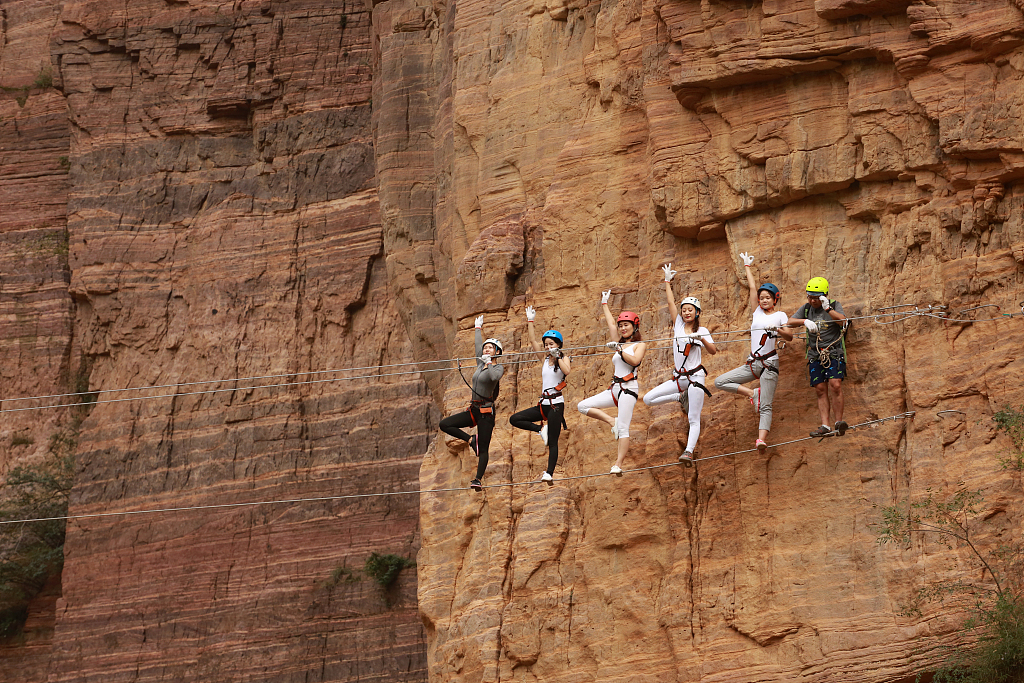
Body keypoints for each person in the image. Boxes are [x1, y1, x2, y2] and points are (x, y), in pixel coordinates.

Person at [713, 251, 793, 453]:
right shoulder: (756, 312)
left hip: (770, 364)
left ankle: (761, 440)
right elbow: (751, 288)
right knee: (720, 381)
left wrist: (778, 330)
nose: (764, 300)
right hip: (753, 363)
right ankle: (751, 392)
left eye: (768, 298)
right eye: (762, 298)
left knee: (766, 405)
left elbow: (790, 336)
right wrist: (747, 267)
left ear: (775, 299)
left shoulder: (781, 315)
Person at [643, 264, 718, 466]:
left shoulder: (701, 330)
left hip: (695, 378)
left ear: (697, 312)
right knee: (648, 399)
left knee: (694, 418)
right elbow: (670, 304)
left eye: (690, 310)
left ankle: (688, 451)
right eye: (684, 310)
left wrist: (700, 339)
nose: (686, 313)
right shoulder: (678, 325)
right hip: (678, 378)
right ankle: (679, 397)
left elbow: (713, 350)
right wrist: (667, 281)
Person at [577, 290, 648, 475]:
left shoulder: (639, 345)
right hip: (614, 388)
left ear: (635, 327)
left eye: (626, 325)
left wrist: (619, 349)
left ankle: (618, 464)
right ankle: (611, 420)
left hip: (628, 390)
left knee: (624, 429)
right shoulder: (618, 341)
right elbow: (610, 323)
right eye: (621, 326)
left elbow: (634, 361)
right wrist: (604, 304)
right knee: (582, 405)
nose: (623, 328)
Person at [438, 315, 504, 491]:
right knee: (445, 424)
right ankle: (469, 439)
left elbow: (493, 377)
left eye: (490, 348)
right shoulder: (479, 364)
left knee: (483, 448)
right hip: (474, 409)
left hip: (486, 413)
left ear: (497, 352)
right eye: (486, 348)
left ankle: (478, 479)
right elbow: (477, 348)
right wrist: (477, 329)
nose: (486, 350)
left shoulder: (497, 367)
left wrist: (489, 362)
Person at [509, 306, 572, 484]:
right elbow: (533, 341)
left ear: (558, 345)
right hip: (542, 404)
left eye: (551, 344)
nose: (547, 347)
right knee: (515, 419)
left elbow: (567, 370)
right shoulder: (544, 359)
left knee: (553, 441)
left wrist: (557, 355)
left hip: (556, 405)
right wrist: (530, 321)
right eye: (547, 344)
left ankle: (549, 472)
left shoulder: (564, 358)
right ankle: (539, 429)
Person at [784, 276, 849, 437]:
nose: (813, 301)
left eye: (816, 298)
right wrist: (804, 321)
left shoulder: (834, 305)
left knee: (835, 384)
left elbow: (844, 322)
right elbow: (789, 322)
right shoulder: (807, 309)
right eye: (810, 297)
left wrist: (829, 310)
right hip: (815, 353)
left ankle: (838, 422)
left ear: (824, 296)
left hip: (833, 351)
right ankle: (825, 425)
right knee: (820, 389)